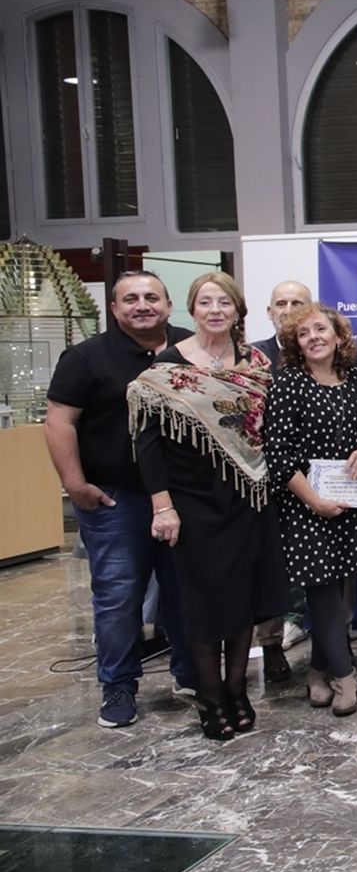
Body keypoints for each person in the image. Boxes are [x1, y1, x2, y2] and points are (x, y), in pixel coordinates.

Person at [128, 272, 289, 740]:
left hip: (249, 498)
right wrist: (163, 506)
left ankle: (238, 691)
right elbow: (148, 443)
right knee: (203, 605)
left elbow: (268, 430)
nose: (215, 309)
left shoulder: (257, 363)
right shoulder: (166, 368)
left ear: (238, 310)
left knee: (244, 601)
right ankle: (210, 698)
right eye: (205, 302)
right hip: (192, 502)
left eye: (224, 302)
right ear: (192, 310)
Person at [44, 270, 199, 728]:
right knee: (118, 597)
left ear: (169, 306)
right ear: (114, 309)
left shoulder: (190, 350)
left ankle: (191, 675)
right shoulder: (86, 358)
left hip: (184, 498)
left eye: (152, 297)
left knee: (185, 593)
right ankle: (118, 688)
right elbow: (59, 423)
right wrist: (75, 486)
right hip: (116, 502)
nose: (142, 305)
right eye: (130, 299)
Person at [264, 303, 357, 717]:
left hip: (349, 504)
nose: (313, 337)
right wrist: (314, 500)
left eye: (320, 329)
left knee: (343, 596)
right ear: (295, 344)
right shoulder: (289, 383)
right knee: (323, 593)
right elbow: (277, 455)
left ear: (337, 335)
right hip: (305, 507)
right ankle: (346, 680)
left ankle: (316, 672)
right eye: (303, 333)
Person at [249, 278, 312, 683]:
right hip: (265, 480)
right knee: (269, 569)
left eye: (298, 303)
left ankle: (320, 634)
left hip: (320, 478)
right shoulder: (253, 359)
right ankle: (271, 645)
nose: (288, 309)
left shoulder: (325, 352)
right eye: (281, 302)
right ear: (269, 311)